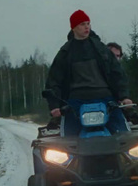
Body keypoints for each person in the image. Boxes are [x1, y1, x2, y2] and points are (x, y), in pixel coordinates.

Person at [44, 9, 132, 137]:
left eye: (88, 23)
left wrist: (124, 97)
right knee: (67, 141)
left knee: (124, 137)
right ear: (73, 27)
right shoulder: (65, 52)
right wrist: (54, 106)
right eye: (82, 24)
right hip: (76, 102)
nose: (86, 27)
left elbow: (116, 73)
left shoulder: (100, 49)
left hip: (105, 99)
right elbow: (54, 80)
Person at [106, 42, 138, 128]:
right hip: (95, 106)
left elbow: (122, 86)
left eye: (118, 56)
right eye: (113, 55)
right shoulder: (95, 70)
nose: (116, 58)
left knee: (126, 128)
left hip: (115, 107)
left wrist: (125, 99)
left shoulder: (120, 73)